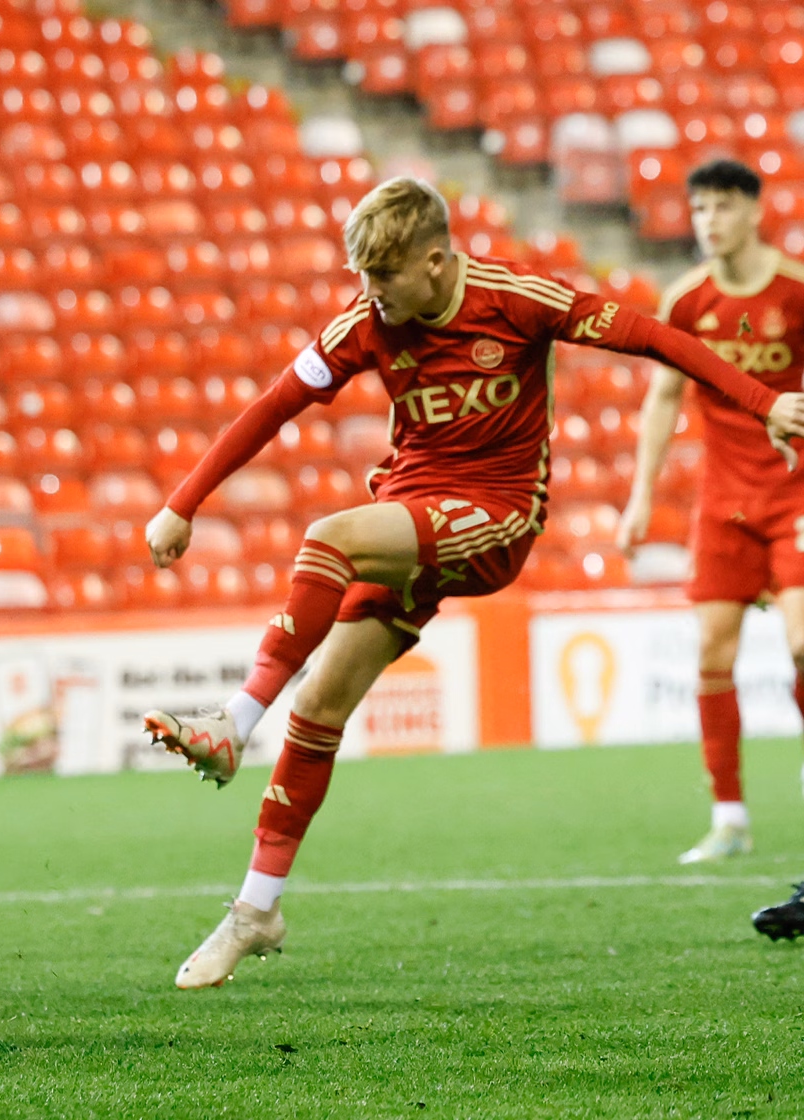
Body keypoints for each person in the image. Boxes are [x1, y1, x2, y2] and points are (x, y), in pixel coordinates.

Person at [140, 176, 804, 989]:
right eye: (363, 276)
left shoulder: (515, 299)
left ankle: (235, 721)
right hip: (413, 516)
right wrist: (182, 502)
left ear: (434, 261)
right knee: (317, 709)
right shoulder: (366, 322)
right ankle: (256, 910)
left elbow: (652, 337)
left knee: (328, 538)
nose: (371, 292)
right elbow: (274, 405)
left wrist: (763, 401)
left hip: (498, 515)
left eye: (385, 275)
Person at [616, 159, 804, 864]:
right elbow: (664, 397)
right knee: (712, 653)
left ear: (755, 210)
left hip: (795, 494)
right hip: (723, 502)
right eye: (699, 209)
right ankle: (729, 817)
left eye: (723, 206)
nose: (709, 221)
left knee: (801, 644)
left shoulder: (796, 291)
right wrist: (641, 494)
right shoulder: (687, 300)